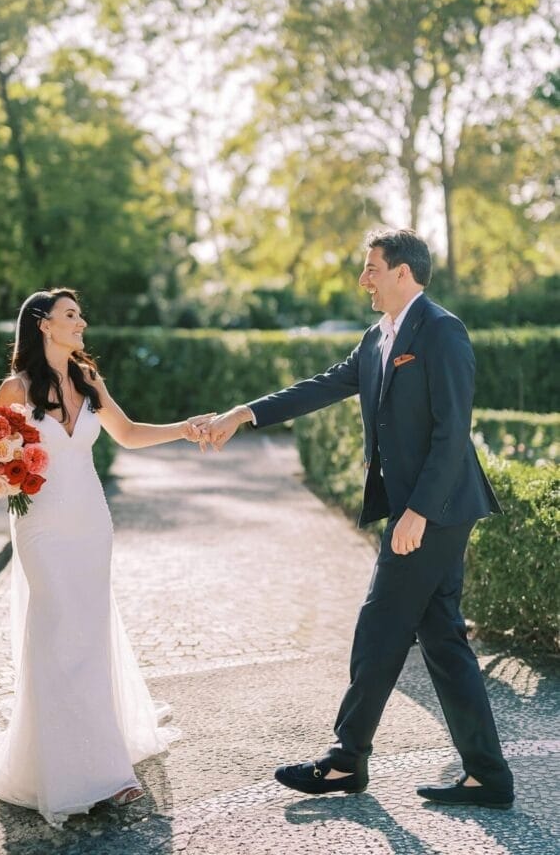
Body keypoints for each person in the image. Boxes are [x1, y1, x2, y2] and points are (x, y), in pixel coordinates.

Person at [203, 228, 515, 810]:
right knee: (443, 638)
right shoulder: (377, 338)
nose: (363, 279)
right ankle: (488, 777)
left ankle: (347, 760)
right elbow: (322, 387)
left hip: (438, 506)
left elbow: (453, 433)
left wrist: (417, 511)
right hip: (417, 507)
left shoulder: (443, 331)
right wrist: (245, 413)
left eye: (372, 268)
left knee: (380, 624)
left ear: (403, 273)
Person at [0, 287, 211, 827]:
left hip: (90, 523)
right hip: (41, 527)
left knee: (90, 633)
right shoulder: (17, 388)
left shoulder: (87, 379)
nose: (81, 322)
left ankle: (109, 768)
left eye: (80, 314)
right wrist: (8, 476)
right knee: (56, 634)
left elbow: (126, 434)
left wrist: (183, 428)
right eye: (71, 315)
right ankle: (60, 771)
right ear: (42, 325)